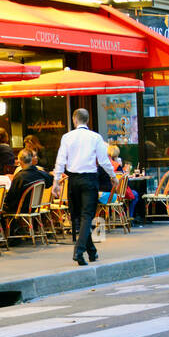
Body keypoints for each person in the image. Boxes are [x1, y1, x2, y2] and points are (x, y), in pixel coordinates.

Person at [53, 107, 112, 266]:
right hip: (90, 179)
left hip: (73, 180)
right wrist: (113, 176)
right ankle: (79, 251)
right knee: (87, 216)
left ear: (74, 119)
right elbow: (104, 160)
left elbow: (60, 161)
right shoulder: (95, 137)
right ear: (87, 120)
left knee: (79, 216)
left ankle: (91, 252)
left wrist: (56, 182)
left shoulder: (67, 137)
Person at [4, 148, 53, 215]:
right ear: (31, 160)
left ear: (20, 161)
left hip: (20, 208)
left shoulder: (19, 176)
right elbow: (51, 181)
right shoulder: (41, 174)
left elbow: (10, 197)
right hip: (35, 207)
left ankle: (12, 225)